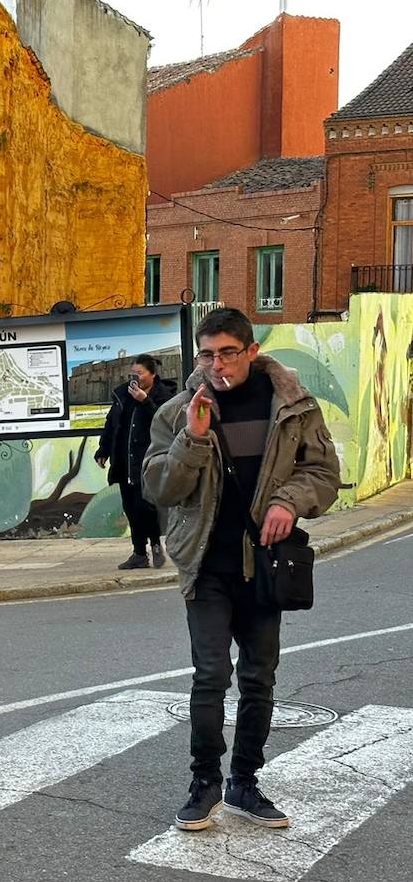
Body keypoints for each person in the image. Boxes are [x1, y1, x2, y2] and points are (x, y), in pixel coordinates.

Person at [143, 307, 339, 832]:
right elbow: (158, 487)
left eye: (228, 352)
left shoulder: (292, 406)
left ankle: (244, 783)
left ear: (252, 351)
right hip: (206, 565)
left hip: (267, 566)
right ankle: (203, 782)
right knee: (210, 676)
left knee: (259, 679)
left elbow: (323, 473)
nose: (217, 364)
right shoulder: (179, 411)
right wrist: (193, 439)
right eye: (207, 354)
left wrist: (289, 502)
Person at [95, 354, 177, 569]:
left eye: (140, 373)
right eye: (133, 373)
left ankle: (156, 545)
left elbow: (166, 421)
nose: (136, 378)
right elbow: (112, 424)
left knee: (146, 506)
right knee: (130, 507)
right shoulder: (123, 394)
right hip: (124, 460)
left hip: (149, 461)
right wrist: (103, 450)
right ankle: (139, 553)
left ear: (152, 374)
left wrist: (145, 401)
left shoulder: (164, 395)